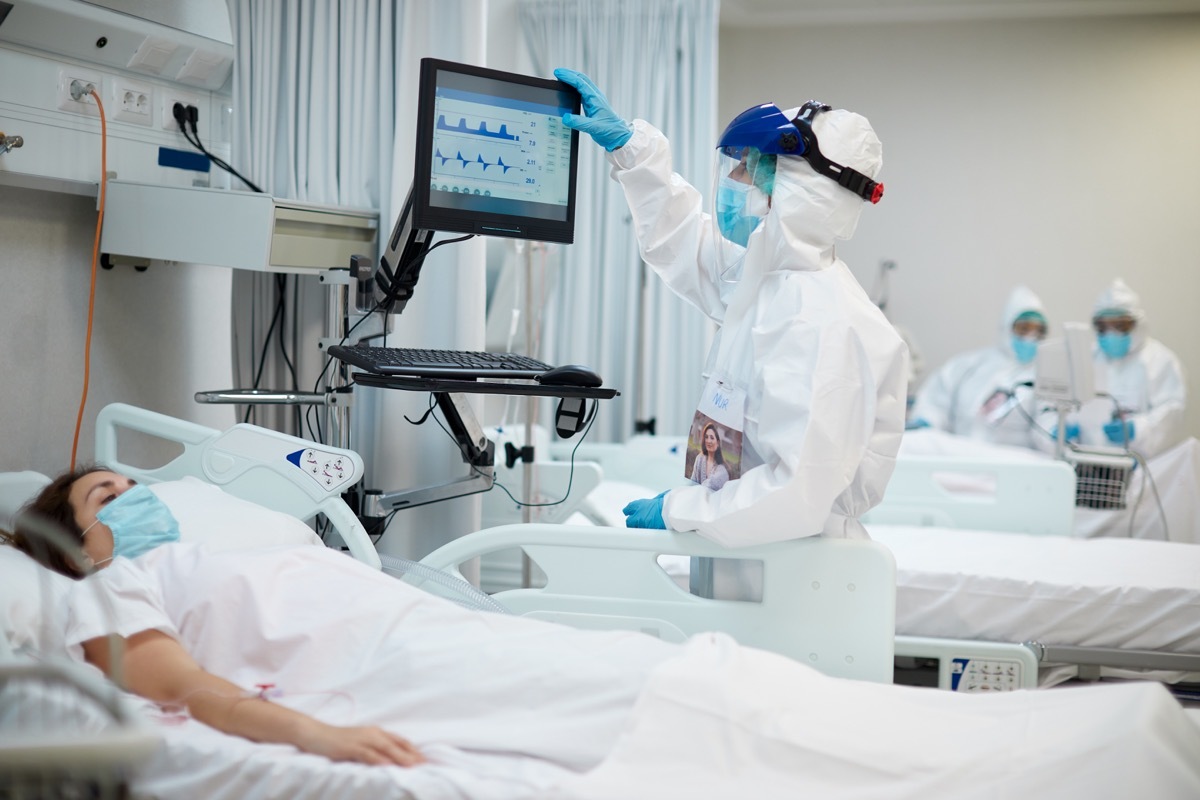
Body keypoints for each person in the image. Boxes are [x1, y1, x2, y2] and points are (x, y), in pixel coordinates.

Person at [554, 68, 909, 546]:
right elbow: (683, 242)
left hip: (797, 577)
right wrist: (631, 151)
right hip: (754, 555)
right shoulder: (773, 284)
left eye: (749, 169)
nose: (734, 180)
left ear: (798, 189)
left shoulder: (822, 322)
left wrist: (680, 509)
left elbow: (797, 494)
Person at [909, 285, 1050, 449]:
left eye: (1038, 331)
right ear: (1007, 326)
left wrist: (1055, 433)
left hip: (1013, 465)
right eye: (1024, 329)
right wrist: (926, 420)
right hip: (963, 457)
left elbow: (1046, 423)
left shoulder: (1045, 378)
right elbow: (935, 400)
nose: (1030, 337)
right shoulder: (968, 365)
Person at [1076, 278, 1187, 458]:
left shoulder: (1160, 360)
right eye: (1103, 326)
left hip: (1143, 466)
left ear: (1137, 324)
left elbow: (1171, 412)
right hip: (1090, 464)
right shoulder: (1089, 358)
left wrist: (1138, 429)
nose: (1111, 333)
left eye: (1119, 326)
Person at [688, 422, 730, 490]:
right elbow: (692, 482)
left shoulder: (722, 471)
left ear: (718, 443)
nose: (708, 441)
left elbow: (708, 487)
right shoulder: (699, 458)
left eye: (712, 438)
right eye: (706, 437)